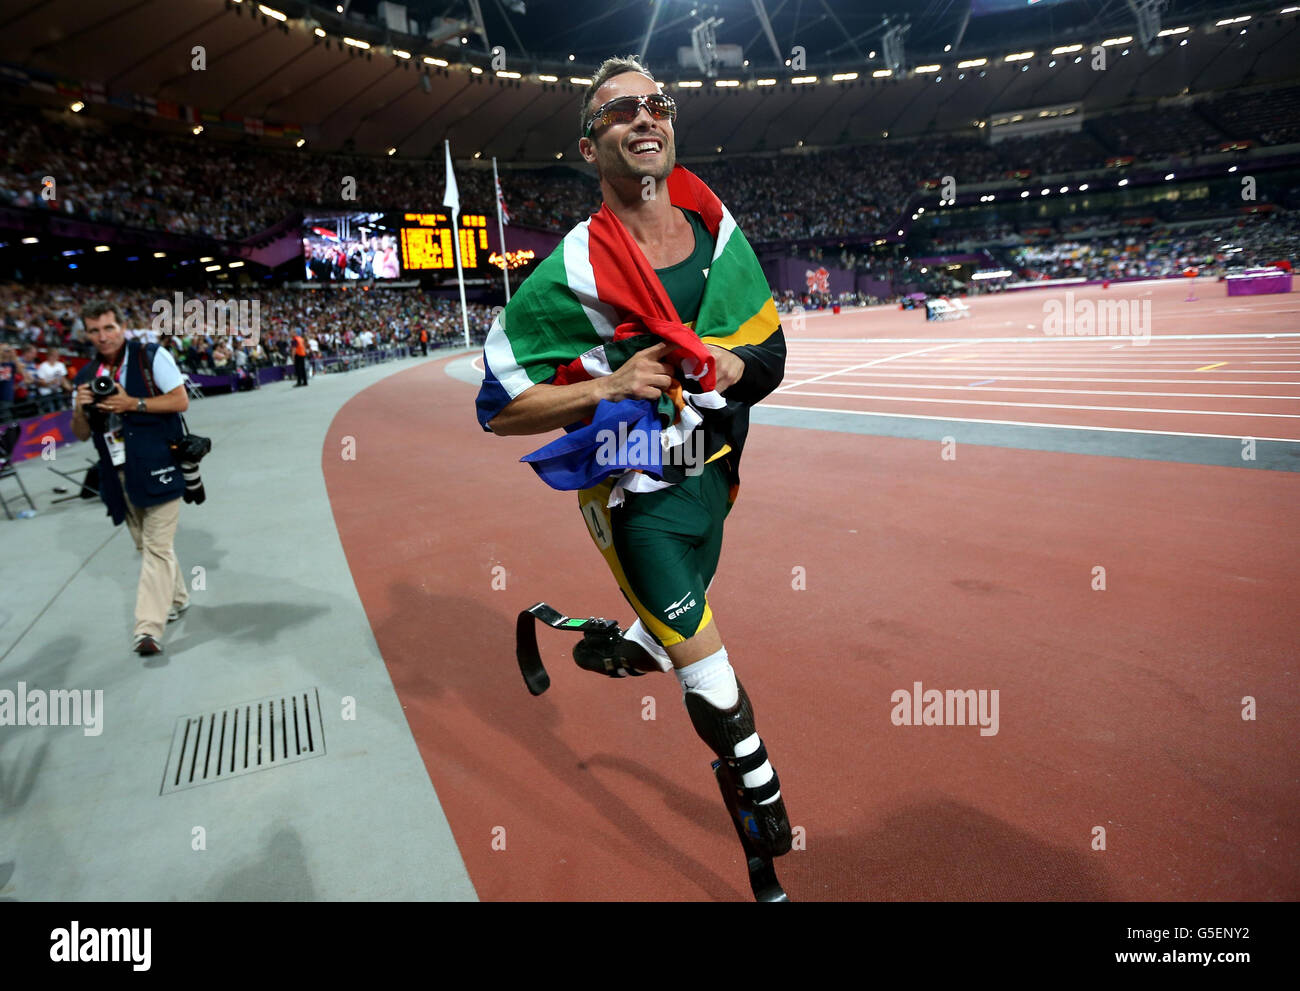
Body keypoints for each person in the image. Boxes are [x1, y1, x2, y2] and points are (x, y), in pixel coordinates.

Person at [475, 56, 792, 869]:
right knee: (711, 673)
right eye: (620, 111)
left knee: (669, 635)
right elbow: (500, 408)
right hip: (636, 496)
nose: (644, 117)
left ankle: (623, 645)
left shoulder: (719, 232)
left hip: (716, 475)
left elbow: (770, 352)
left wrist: (727, 367)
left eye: (656, 103)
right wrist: (608, 384)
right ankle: (761, 801)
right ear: (591, 147)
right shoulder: (573, 270)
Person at [71, 301, 190, 656]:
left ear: (122, 326)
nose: (102, 336)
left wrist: (132, 404)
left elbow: (180, 400)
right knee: (148, 545)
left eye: (108, 328)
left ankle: (147, 630)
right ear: (86, 334)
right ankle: (178, 597)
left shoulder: (150, 356)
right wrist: (79, 408)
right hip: (117, 471)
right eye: (94, 330)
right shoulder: (87, 374)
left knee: (156, 547)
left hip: (159, 462)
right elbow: (78, 434)